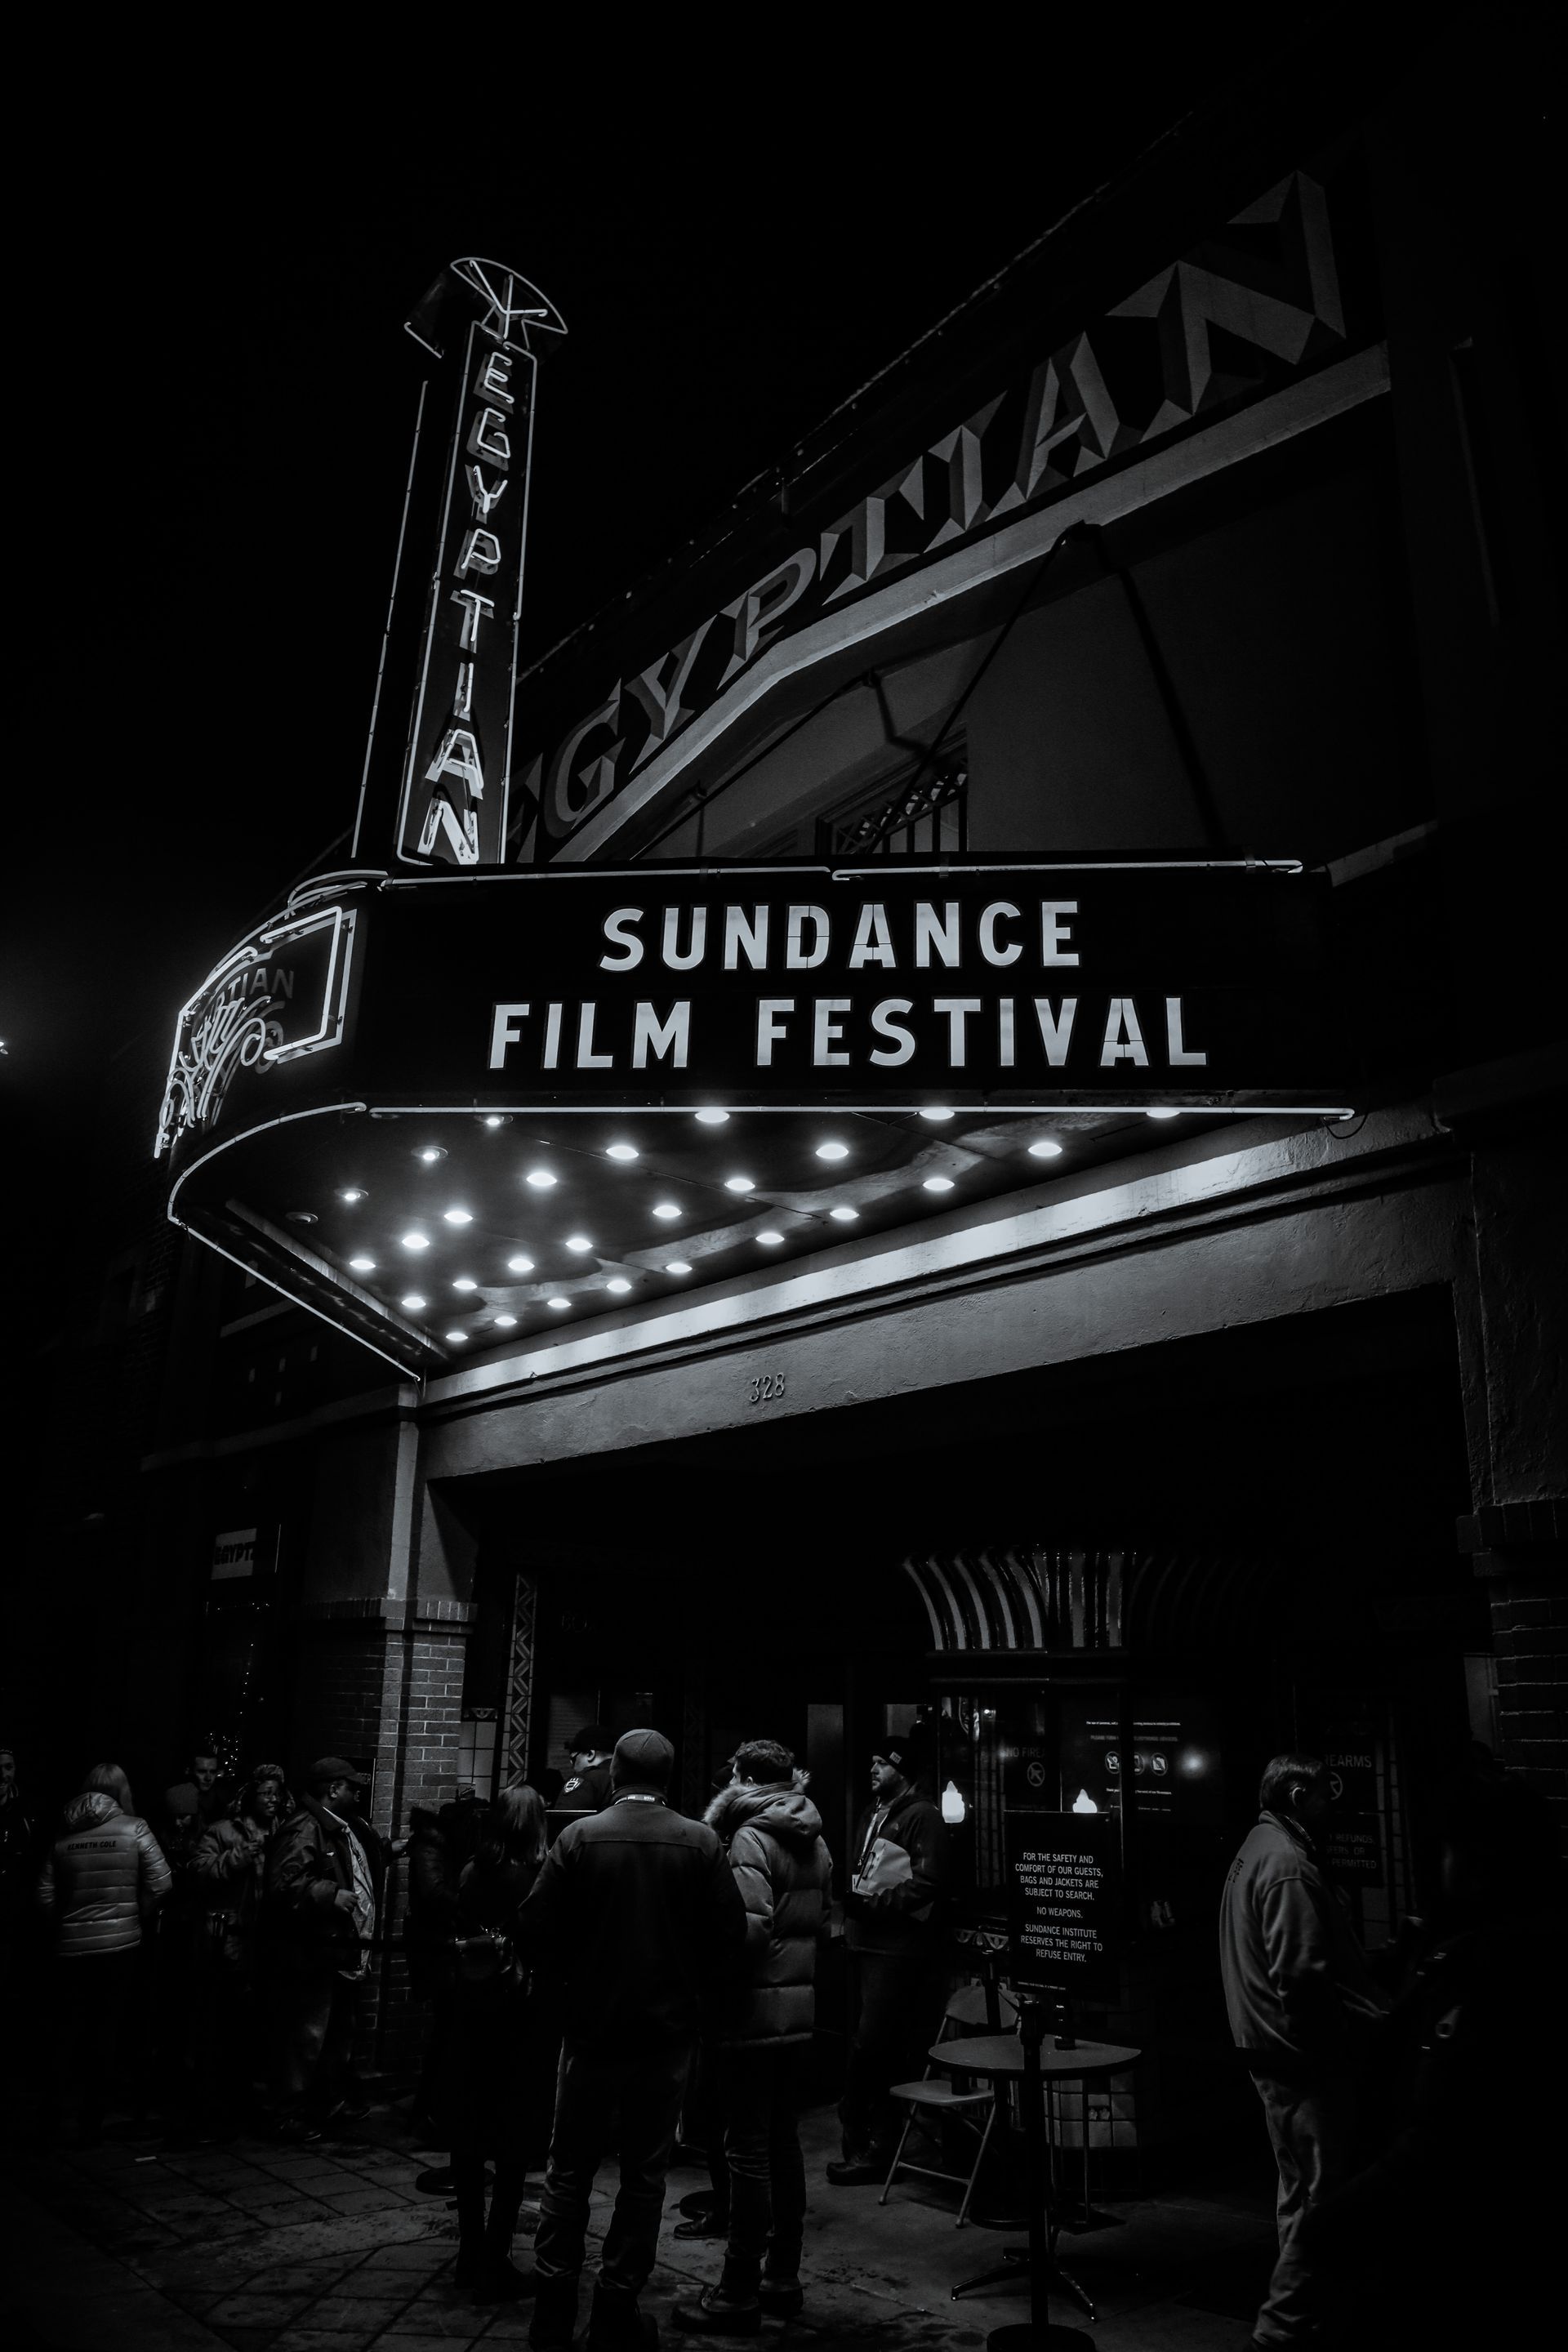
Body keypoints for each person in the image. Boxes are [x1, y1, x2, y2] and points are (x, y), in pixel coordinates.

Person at [1304, 1776, 1566, 2342]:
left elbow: (1444, 2124)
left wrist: (1341, 2215)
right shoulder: (1492, 1950)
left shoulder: (1490, 1965)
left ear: (1478, 1862)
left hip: (1449, 2247)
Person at [518, 1727, 747, 2352]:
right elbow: (730, 1941)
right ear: (668, 1779)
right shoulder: (700, 1842)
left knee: (568, 2169)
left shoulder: (578, 1837)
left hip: (590, 2032)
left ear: (615, 1773)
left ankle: (552, 2307)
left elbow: (535, 1928)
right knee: (645, 2175)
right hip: (665, 2036)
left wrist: (572, 1978)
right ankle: (617, 2306)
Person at [1218, 1752, 1385, 2348]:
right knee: (1325, 2201)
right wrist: (1342, 2048)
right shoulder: (1286, 1864)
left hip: (1271, 2056)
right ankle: (1284, 2330)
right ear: (1294, 1796)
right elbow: (1303, 1978)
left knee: (1300, 2197)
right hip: (1302, 2062)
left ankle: (1307, 2321)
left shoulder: (1253, 1852)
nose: (1330, 1807)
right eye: (1321, 1796)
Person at [673, 1741, 832, 2336]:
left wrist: (702, 1959)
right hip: (798, 2014)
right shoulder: (814, 1836)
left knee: (746, 2149)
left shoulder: (747, 1838)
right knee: (783, 2142)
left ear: (741, 1778)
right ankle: (782, 2276)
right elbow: (820, 1920)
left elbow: (747, 1932)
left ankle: (738, 2287)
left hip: (749, 2015)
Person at [827, 1740, 949, 2186]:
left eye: (883, 1763)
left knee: (875, 2044)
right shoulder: (874, 1811)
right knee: (862, 2042)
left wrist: (877, 1906)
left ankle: (875, 2144)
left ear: (904, 1769)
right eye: (872, 1761)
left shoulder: (922, 1816)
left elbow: (929, 1881)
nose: (873, 1769)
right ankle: (864, 2139)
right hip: (864, 1942)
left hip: (896, 1947)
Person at [448, 1784, 550, 2302]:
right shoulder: (539, 1878)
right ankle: (496, 2254)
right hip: (520, 2019)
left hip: (470, 2016)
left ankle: (469, 2253)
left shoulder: (471, 1872)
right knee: (513, 2143)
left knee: (467, 2140)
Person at [36, 1763, 172, 2145]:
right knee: (107, 2027)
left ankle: (53, 2112)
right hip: (120, 1946)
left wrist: (66, 1924)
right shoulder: (135, 1828)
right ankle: (93, 2115)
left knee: (66, 2028)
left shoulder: (63, 1839)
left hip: (70, 1948)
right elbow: (162, 1883)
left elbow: (43, 1896)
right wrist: (135, 1914)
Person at [265, 1757, 385, 2137]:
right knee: (307, 2036)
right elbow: (283, 1886)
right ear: (333, 1789)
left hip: (339, 1951)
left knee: (335, 2033)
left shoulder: (336, 1827)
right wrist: (329, 1893)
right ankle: (288, 2113)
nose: (356, 1793)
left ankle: (326, 2103)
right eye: (351, 1787)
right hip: (315, 1953)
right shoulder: (305, 1828)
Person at [189, 1763, 292, 2132]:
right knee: (226, 2023)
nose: (273, 1799)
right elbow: (198, 1871)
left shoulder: (286, 1832)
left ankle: (254, 2099)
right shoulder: (223, 1831)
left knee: (264, 2025)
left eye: (277, 1793)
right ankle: (220, 2101)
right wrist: (239, 1857)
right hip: (233, 1940)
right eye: (265, 1792)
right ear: (250, 1796)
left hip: (272, 1943)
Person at [556, 1726, 615, 1820]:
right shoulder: (631, 1778)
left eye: (573, 1759)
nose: (572, 1765)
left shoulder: (587, 1780)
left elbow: (562, 1821)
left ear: (590, 1754)